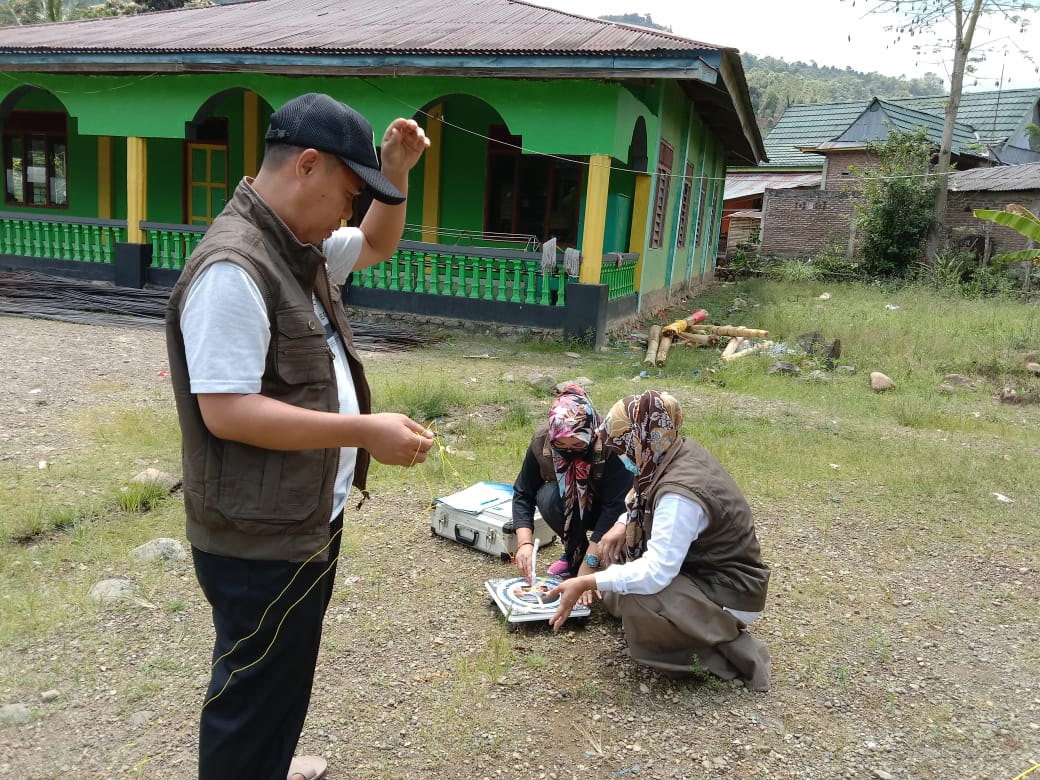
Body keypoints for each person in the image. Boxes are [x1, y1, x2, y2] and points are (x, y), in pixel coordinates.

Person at [165, 93, 435, 780]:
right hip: (260, 538)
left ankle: (271, 762)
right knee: (249, 699)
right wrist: (362, 431)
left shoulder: (298, 247)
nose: (348, 213)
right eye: (347, 194)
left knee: (282, 684)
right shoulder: (236, 266)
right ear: (306, 166)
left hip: (300, 518)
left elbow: (376, 241)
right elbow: (226, 410)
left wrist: (395, 172)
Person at [546, 390, 772, 692]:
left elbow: (656, 572)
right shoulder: (670, 450)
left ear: (640, 438)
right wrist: (622, 523)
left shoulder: (680, 493)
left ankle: (721, 653)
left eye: (621, 446)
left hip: (729, 591)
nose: (620, 455)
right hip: (699, 570)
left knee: (640, 598)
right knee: (618, 556)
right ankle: (671, 625)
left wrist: (588, 582)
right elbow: (640, 499)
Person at [511, 383, 630, 600]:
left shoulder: (612, 444)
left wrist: (588, 567)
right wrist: (525, 544)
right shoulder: (542, 442)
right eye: (561, 445)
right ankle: (574, 551)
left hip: (614, 512)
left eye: (576, 445)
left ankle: (597, 555)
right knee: (546, 496)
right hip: (573, 504)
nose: (568, 451)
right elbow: (523, 492)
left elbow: (617, 506)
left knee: (621, 563)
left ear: (591, 434)